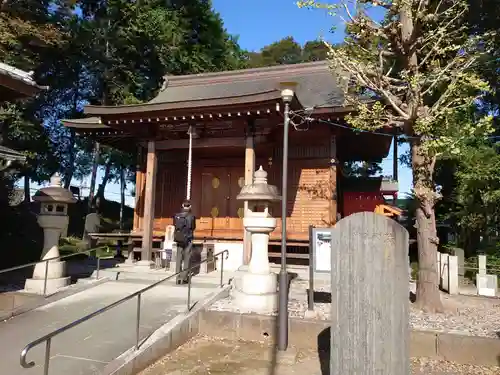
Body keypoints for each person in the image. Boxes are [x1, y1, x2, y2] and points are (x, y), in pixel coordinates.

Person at [173, 200, 196, 284]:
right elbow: (193, 227)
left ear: (182, 205)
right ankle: (184, 277)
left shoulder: (176, 216)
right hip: (188, 239)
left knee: (179, 258)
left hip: (179, 239)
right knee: (187, 258)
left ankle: (177, 277)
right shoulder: (192, 217)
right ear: (190, 206)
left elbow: (175, 226)